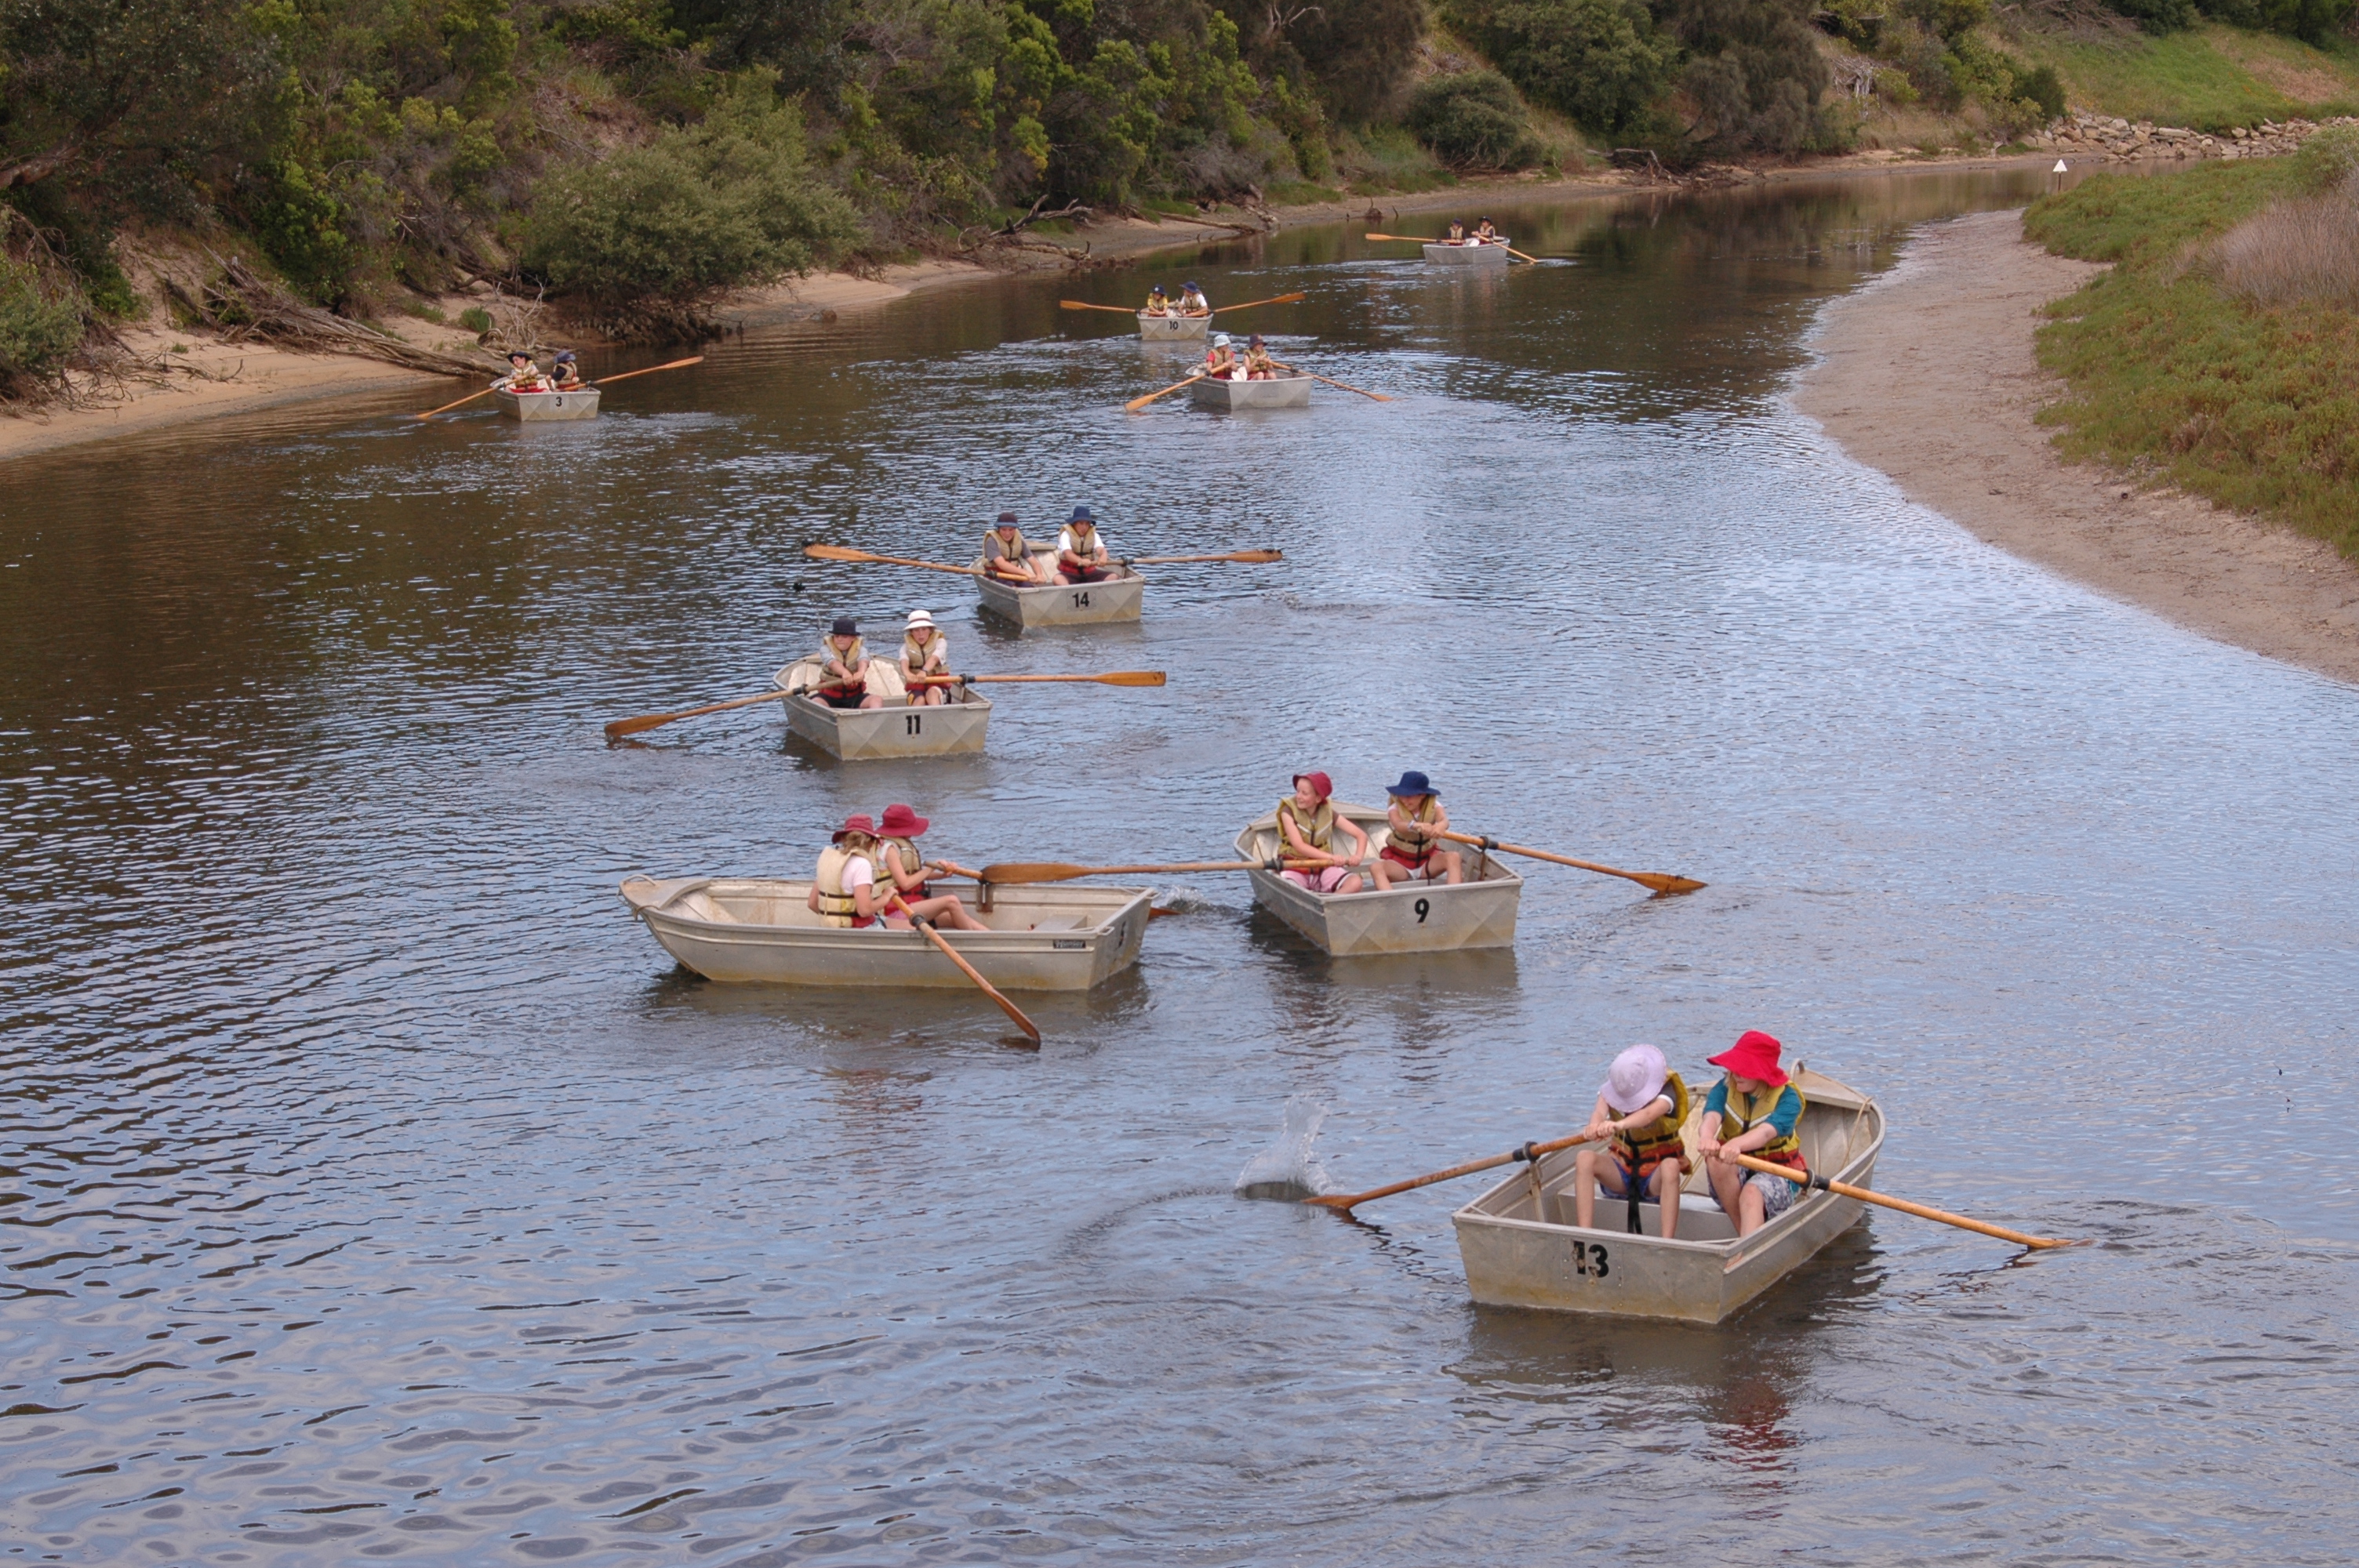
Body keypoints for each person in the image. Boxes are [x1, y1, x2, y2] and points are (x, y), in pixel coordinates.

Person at [1696, 1029, 1809, 1239]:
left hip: (1778, 1171)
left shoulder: (1788, 1098)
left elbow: (1766, 1133)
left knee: (1752, 1193)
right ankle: (1746, 1239)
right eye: (1735, 1067)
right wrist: (1706, 1137)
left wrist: (1736, 1144)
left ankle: (1745, 1250)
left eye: (1744, 1069)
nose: (1737, 1074)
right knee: (1716, 1161)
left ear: (1762, 1072)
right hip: (1737, 1171)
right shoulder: (1724, 1088)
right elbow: (1711, 1116)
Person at [1572, 1044, 1692, 1238]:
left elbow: (1648, 1115)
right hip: (1621, 1172)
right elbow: (1599, 1112)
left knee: (1671, 1165)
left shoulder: (1666, 1091)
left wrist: (1618, 1125)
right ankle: (1584, 1234)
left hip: (1654, 1179)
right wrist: (1593, 1126)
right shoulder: (1614, 1088)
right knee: (1584, 1158)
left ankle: (1667, 1241)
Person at [873, 803, 989, 930]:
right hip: (895, 911)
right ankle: (974, 944)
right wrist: (931, 868)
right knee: (951, 901)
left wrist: (942, 875)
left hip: (910, 906)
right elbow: (905, 883)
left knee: (960, 917)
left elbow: (913, 876)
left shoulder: (898, 845)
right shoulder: (889, 849)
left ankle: (994, 942)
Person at [1275, 771, 1369, 895]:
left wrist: (1358, 856)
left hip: (1323, 867)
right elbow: (1299, 846)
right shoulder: (1288, 812)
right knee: (1293, 890)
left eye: (1305, 793)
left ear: (1318, 798)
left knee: (1355, 882)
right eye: (1298, 791)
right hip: (1294, 865)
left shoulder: (1327, 813)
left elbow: (1361, 835)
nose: (1298, 796)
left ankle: (1330, 903)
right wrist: (1331, 857)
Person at [1369, 770, 1463, 891]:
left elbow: (1444, 820)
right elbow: (1399, 825)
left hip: (1426, 864)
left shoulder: (1435, 805)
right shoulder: (1395, 808)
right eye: (1402, 795)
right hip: (1401, 866)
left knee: (1453, 857)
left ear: (1422, 795)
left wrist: (1441, 826)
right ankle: (1392, 903)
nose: (1404, 800)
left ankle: (1454, 898)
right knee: (1376, 868)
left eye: (1409, 796)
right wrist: (1415, 825)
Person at [809, 815, 885, 928]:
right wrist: (887, 896)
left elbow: (812, 903)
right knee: (896, 924)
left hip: (829, 928)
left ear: (843, 839)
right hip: (856, 931)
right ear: (870, 842)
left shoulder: (829, 862)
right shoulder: (861, 864)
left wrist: (834, 918)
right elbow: (864, 910)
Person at [813, 617, 883, 710]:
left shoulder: (861, 649)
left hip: (854, 697)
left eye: (844, 637)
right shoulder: (825, 649)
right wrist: (844, 673)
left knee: (877, 700)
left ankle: (873, 722)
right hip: (829, 696)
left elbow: (864, 659)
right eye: (837, 636)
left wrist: (861, 672)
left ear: (853, 638)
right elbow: (831, 662)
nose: (839, 640)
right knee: (816, 703)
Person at [899, 608, 952, 707]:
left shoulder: (940, 642)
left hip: (937, 685)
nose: (921, 634)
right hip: (917, 687)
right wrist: (908, 674)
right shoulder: (905, 647)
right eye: (916, 630)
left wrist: (924, 671)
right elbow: (904, 662)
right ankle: (916, 720)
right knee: (920, 700)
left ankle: (936, 717)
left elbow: (935, 658)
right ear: (911, 632)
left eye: (924, 629)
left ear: (930, 630)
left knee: (932, 694)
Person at [1055, 506, 1113, 586]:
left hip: (1089, 572)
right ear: (1074, 523)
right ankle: (1070, 593)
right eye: (1081, 523)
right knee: (1057, 579)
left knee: (1113, 577)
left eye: (1087, 524)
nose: (1084, 527)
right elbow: (1068, 553)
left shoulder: (1094, 535)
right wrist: (1080, 560)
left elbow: (1101, 549)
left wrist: (1103, 556)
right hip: (1070, 573)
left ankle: (1099, 592)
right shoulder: (1066, 535)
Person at [981, 513, 1041, 586]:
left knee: (1028, 586)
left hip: (1014, 574)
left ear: (1015, 529)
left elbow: (1032, 560)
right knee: (1011, 585)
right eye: (1004, 530)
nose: (1007, 533)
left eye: (1011, 530)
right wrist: (1025, 572)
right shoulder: (991, 541)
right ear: (999, 529)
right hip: (996, 575)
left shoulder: (1018, 540)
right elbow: (1002, 564)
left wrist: (1039, 575)